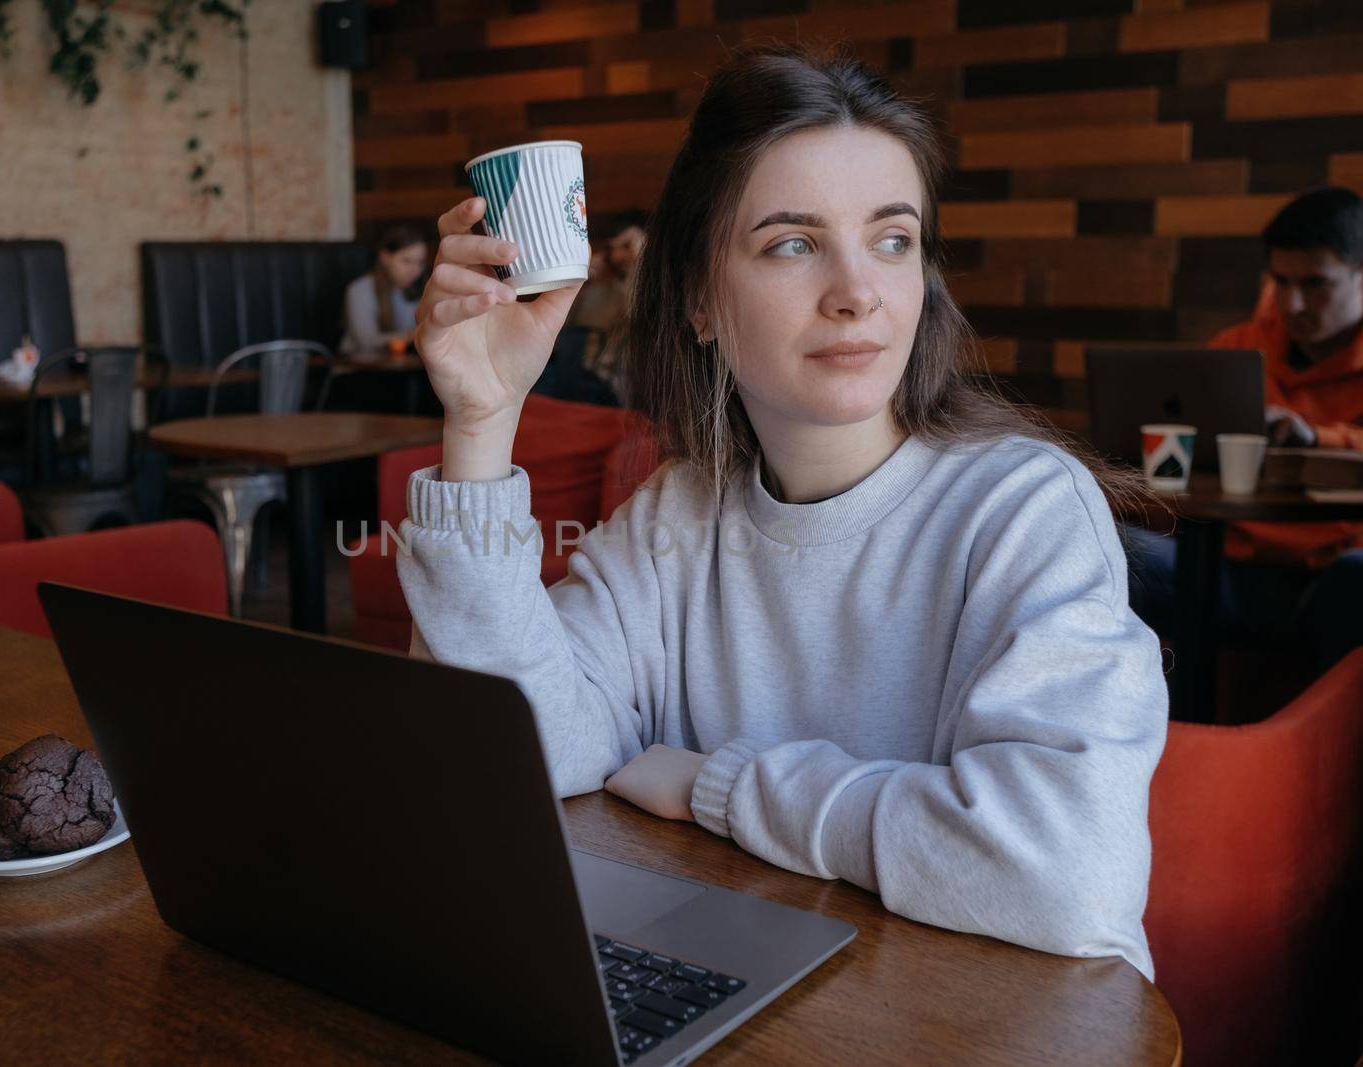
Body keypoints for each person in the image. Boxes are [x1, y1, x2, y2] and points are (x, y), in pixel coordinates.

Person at [396, 46, 1167, 978]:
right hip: (770, 997)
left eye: (893, 239)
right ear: (698, 300)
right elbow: (503, 753)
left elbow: (1064, 872)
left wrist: (721, 786)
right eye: (793, 243)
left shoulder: (1022, 511)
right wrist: (481, 422)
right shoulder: (673, 516)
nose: (858, 292)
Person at [1125, 187, 1363, 671]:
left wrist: (1317, 438)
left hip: (1329, 576)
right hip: (1224, 567)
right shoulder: (1238, 348)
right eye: (1281, 281)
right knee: (1105, 548)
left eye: (1317, 284)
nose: (1294, 304)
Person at [566, 210, 647, 395]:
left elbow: (636, 317)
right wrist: (578, 282)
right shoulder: (596, 285)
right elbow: (565, 327)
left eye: (628, 247)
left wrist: (639, 267)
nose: (620, 256)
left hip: (609, 387)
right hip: (569, 374)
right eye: (616, 247)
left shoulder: (645, 292)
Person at [339, 226, 429, 361]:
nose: (414, 270)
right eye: (407, 261)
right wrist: (412, 335)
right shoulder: (360, 289)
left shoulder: (419, 291)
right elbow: (365, 341)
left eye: (420, 263)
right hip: (358, 369)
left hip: (402, 367)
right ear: (385, 258)